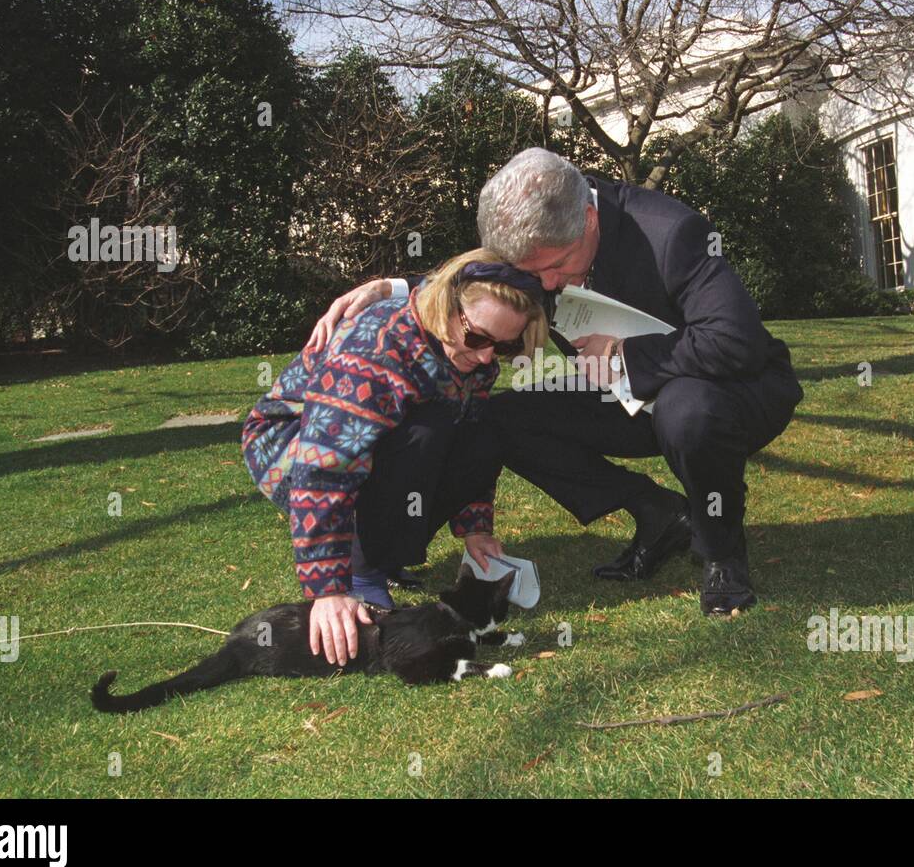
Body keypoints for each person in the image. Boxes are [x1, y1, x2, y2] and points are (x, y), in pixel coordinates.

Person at [306, 148, 802, 616]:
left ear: (588, 218)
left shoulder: (671, 232)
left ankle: (721, 551)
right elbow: (478, 285)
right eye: (530, 271)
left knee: (686, 411)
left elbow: (737, 340)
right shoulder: (539, 246)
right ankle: (658, 513)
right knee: (501, 419)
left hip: (729, 392)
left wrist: (624, 354)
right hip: (625, 395)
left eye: (558, 267)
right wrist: (390, 287)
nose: (543, 286)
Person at [243, 249, 547, 665]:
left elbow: (472, 439)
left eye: (505, 345)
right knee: (425, 431)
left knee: (485, 425)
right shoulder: (371, 352)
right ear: (448, 307)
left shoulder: (473, 352)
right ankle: (361, 568)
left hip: (380, 444)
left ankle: (382, 551)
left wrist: (475, 526)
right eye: (478, 338)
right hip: (295, 451)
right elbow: (325, 467)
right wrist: (328, 588)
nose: (487, 356)